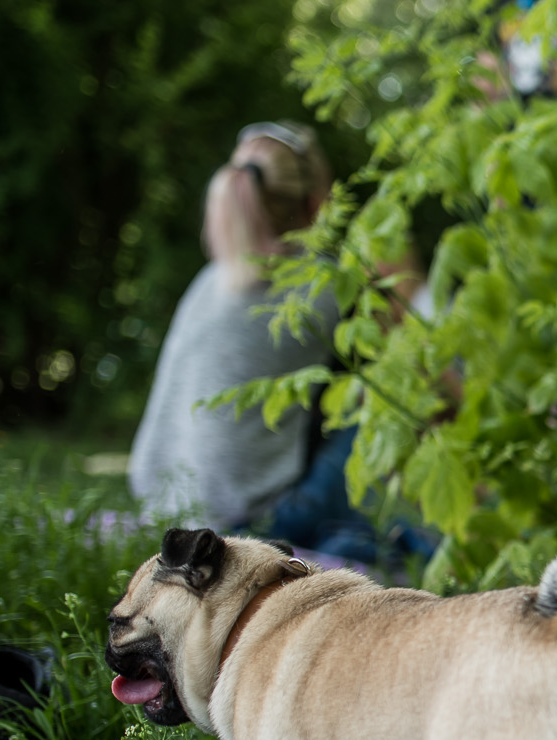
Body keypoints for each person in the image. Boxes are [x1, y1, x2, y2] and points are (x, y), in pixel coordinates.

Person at [128, 123, 392, 562]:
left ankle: (348, 536)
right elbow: (398, 352)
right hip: (247, 523)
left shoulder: (209, 279)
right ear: (315, 201)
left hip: (163, 510)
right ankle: (368, 544)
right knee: (379, 397)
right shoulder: (323, 281)